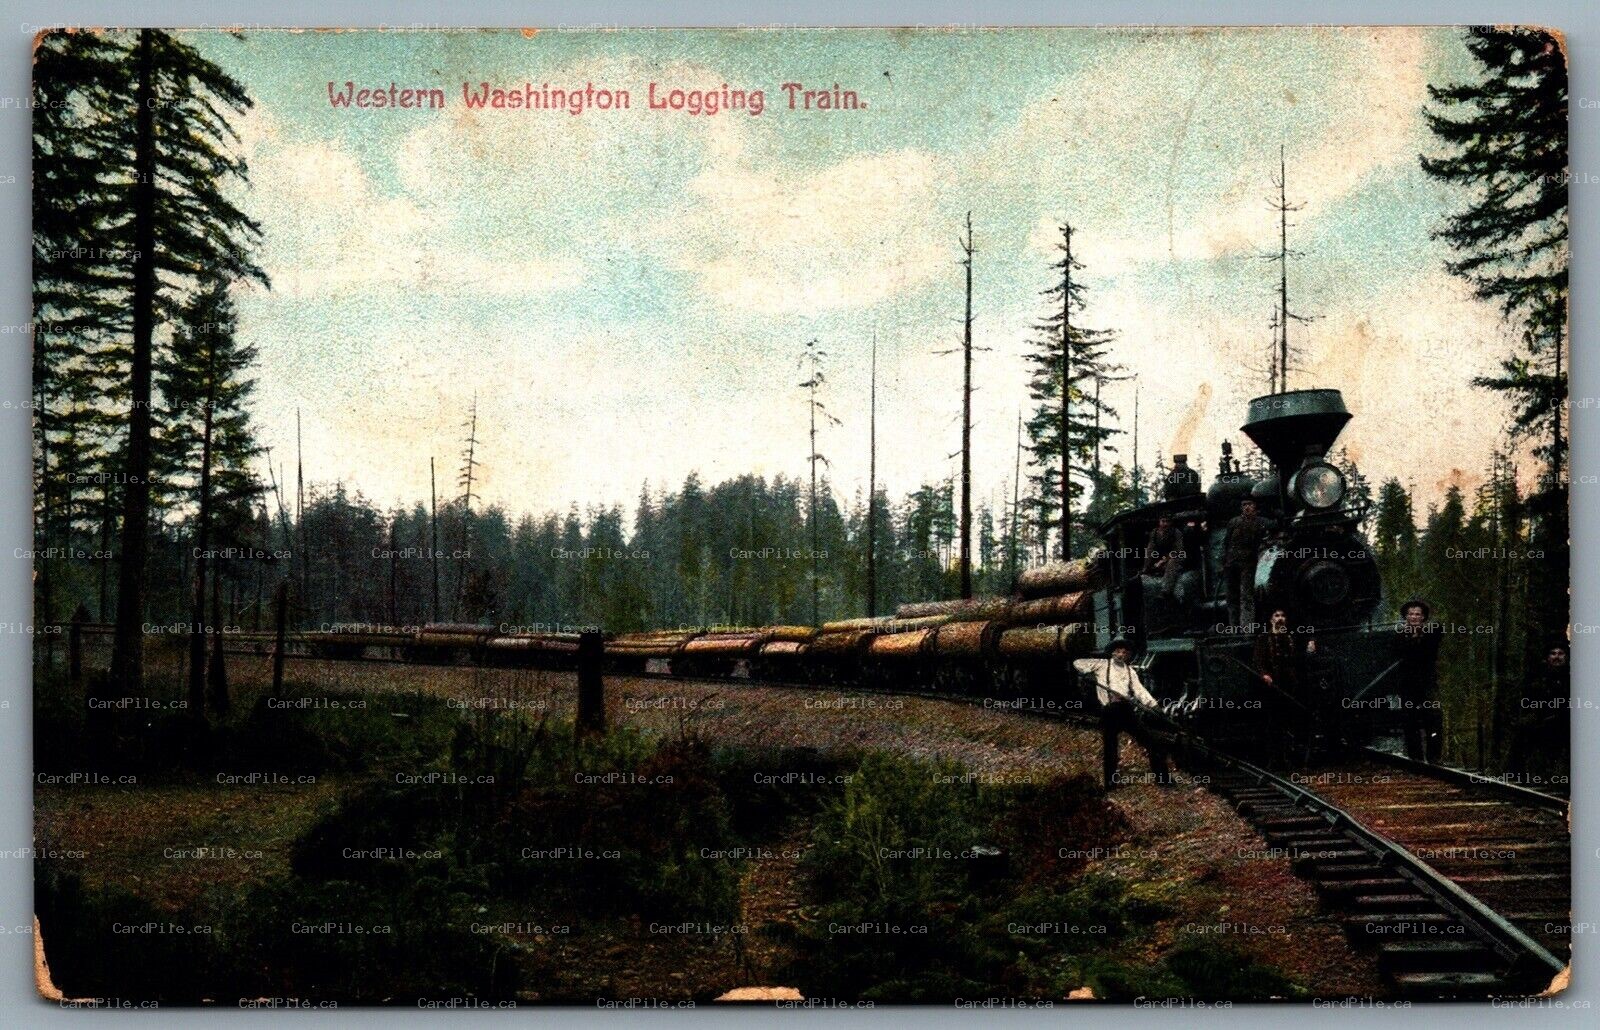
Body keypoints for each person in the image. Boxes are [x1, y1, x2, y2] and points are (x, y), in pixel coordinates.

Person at [1074, 638, 1173, 789]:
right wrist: (1087, 673)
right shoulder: (1101, 665)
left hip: (1126, 710)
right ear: (1113, 653)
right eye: (1118, 651)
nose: (1121, 655)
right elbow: (1077, 662)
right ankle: (1110, 783)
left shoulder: (1130, 671)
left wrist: (1154, 706)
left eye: (1124, 653)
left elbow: (1140, 691)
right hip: (1109, 711)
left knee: (1153, 742)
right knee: (1111, 748)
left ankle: (1163, 780)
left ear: (1128, 656)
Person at [1252, 608, 1317, 759]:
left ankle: (1289, 753)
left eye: (1282, 615)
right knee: (1273, 720)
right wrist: (1265, 674)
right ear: (1271, 620)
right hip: (1272, 686)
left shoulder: (1290, 637)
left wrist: (1311, 645)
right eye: (1277, 616)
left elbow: (1299, 657)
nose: (1280, 618)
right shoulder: (1264, 638)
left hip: (1289, 684)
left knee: (1290, 718)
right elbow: (1258, 660)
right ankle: (1273, 756)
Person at [1393, 599, 1443, 762]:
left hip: (1427, 683)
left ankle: (1434, 758)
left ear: (1423, 617)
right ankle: (1416, 758)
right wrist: (1411, 637)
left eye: (1418, 614)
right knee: (1410, 720)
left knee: (1433, 718)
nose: (1414, 617)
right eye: (1411, 614)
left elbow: (1436, 634)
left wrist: (1419, 634)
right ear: (1406, 617)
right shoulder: (1399, 636)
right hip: (1407, 684)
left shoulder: (1431, 633)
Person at [1223, 498, 1271, 629]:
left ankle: (1247, 630)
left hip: (1249, 565)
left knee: (1246, 597)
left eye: (1250, 504)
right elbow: (1226, 543)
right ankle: (1234, 629)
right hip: (1231, 564)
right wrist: (1225, 562)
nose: (1247, 507)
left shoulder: (1262, 522)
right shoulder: (1234, 522)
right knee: (1232, 598)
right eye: (1244, 505)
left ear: (1255, 506)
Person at [1141, 514, 1186, 600]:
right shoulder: (1155, 533)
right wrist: (1145, 568)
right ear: (1159, 522)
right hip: (1161, 559)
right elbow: (1150, 549)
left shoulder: (1176, 532)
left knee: (1173, 562)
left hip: (1176, 557)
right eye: (1163, 521)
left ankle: (1166, 591)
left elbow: (1178, 550)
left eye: (1167, 521)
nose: (1165, 524)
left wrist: (1162, 561)